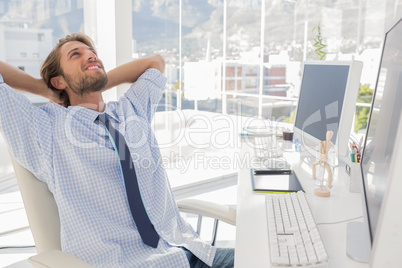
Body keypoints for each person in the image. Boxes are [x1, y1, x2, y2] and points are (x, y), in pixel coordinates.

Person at [0, 33, 234, 267]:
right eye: (76, 54)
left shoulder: (131, 110)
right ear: (58, 81)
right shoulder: (46, 129)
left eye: (92, 53)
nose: (91, 55)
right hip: (125, 262)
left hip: (192, 252)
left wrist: (93, 79)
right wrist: (47, 90)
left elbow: (156, 63)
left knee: (266, 254)